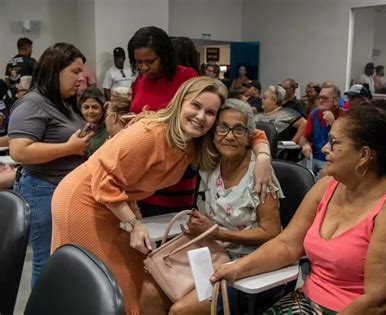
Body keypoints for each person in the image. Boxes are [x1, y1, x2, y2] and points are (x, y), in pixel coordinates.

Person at [51, 77, 273, 314]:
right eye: (195, 106)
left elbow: (249, 130)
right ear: (180, 102)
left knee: (134, 281)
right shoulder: (151, 134)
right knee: (101, 285)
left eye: (210, 112)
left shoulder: (193, 141)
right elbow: (104, 181)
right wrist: (133, 224)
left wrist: (263, 156)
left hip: (115, 203)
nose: (200, 116)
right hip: (85, 200)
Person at [212, 105, 386, 314]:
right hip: (310, 302)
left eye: (334, 142)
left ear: (364, 155)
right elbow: (287, 244)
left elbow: (379, 302)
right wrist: (236, 269)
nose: (324, 148)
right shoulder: (328, 185)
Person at [140, 98, 283, 314]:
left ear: (248, 138)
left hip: (245, 264)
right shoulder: (210, 163)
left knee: (181, 311)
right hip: (209, 253)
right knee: (149, 290)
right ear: (214, 135)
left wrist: (218, 233)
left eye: (238, 130)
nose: (229, 136)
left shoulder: (261, 175)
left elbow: (271, 232)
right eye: (223, 128)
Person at [8, 43, 92, 287]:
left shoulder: (63, 102)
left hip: (64, 191)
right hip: (43, 190)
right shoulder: (32, 103)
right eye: (75, 71)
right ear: (55, 70)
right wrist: (69, 148)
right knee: (47, 262)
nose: (81, 78)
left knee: (63, 260)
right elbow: (20, 150)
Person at [127, 26, 200, 216]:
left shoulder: (187, 77)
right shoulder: (139, 82)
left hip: (174, 170)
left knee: (170, 231)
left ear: (165, 56)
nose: (144, 68)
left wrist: (152, 119)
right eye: (139, 62)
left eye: (150, 61)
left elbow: (194, 121)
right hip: (142, 169)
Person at [297, 85, 345, 176]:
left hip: (331, 160)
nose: (320, 101)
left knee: (320, 178)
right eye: (319, 98)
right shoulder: (314, 114)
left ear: (336, 101)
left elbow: (343, 143)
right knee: (294, 174)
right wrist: (305, 145)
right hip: (313, 158)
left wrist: (333, 123)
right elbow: (303, 138)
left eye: (325, 98)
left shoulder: (344, 116)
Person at [79, 87, 108, 155]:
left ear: (103, 109)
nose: (90, 111)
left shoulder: (109, 129)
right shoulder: (76, 127)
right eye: (86, 107)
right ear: (80, 109)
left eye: (95, 107)